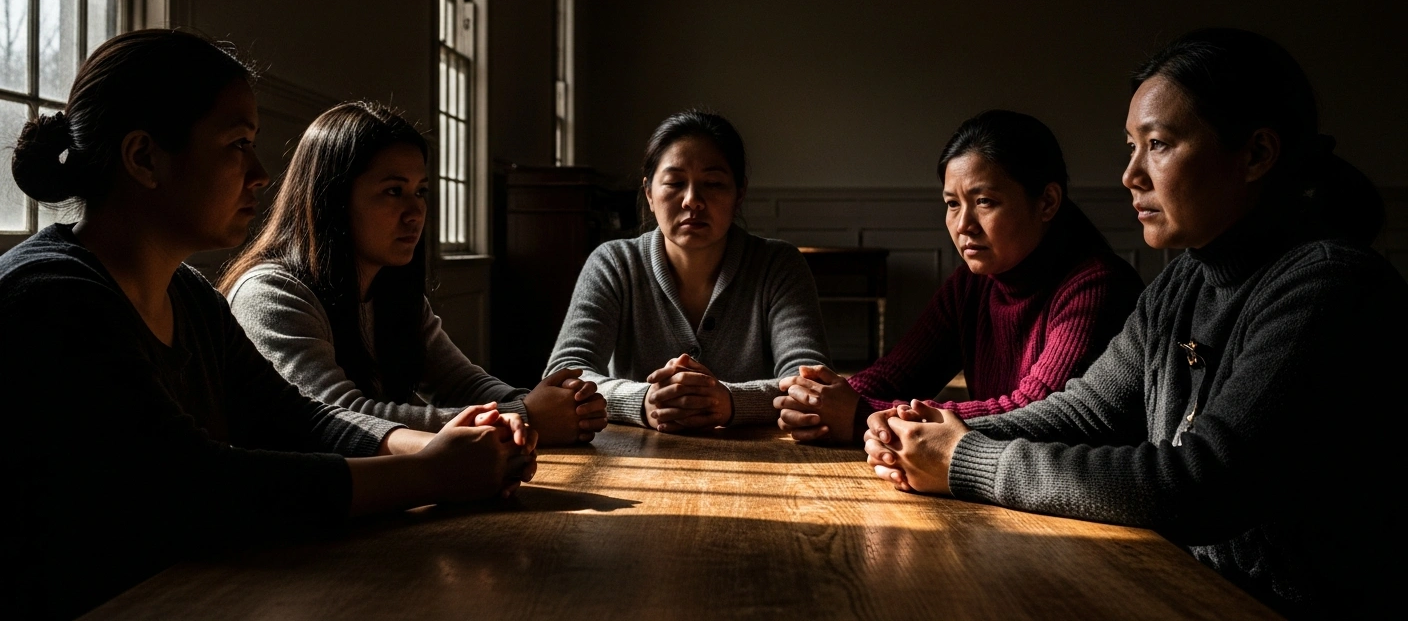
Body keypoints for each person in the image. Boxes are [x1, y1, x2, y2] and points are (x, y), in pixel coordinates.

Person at [863, 29, 1401, 618]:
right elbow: (1085, 411)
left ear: (1256, 155)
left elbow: (1200, 484)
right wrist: (932, 431)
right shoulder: (1182, 282)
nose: (1130, 176)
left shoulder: (1329, 285)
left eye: (1160, 144)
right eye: (1130, 147)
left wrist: (966, 460)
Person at [3, 30, 537, 620]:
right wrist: (430, 475)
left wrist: (442, 447)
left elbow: (296, 418)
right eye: (237, 145)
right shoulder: (51, 296)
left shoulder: (188, 294)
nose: (259, 173)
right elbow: (196, 487)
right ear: (144, 158)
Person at [219, 102, 607, 445]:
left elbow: (460, 383)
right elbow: (339, 416)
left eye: (420, 191)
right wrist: (523, 415)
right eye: (393, 191)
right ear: (332, 198)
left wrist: (556, 403)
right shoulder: (270, 293)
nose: (415, 212)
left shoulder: (391, 288)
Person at [774, 111, 1143, 443]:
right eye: (952, 204)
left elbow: (1034, 411)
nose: (963, 225)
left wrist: (861, 415)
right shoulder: (972, 284)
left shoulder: (1098, 286)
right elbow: (895, 374)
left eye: (984, 202)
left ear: (1047, 201)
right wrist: (822, 399)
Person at [545, 110, 830, 432]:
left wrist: (730, 402)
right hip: (631, 457)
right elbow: (565, 373)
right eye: (675, 183)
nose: (693, 200)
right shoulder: (614, 263)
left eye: (713, 183)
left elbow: (812, 382)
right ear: (650, 193)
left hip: (759, 456)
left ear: (739, 194)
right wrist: (643, 401)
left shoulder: (778, 265)